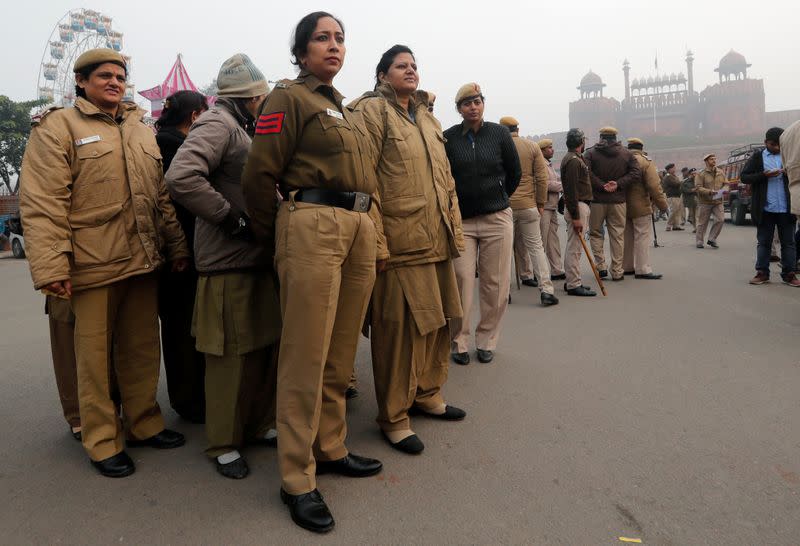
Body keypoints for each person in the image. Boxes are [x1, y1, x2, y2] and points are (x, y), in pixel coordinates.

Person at [241, 12, 384, 533]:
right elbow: (259, 174)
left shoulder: (341, 108)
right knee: (305, 353)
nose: (334, 46)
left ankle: (330, 446)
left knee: (340, 351)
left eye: (340, 38)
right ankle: (297, 478)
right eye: (322, 38)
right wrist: (274, 233)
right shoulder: (289, 99)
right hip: (312, 224)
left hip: (358, 225)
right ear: (300, 52)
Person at [19, 48, 189, 478]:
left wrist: (177, 245)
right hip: (91, 265)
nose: (114, 82)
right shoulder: (59, 127)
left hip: (142, 260)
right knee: (93, 361)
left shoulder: (139, 129)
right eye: (104, 76)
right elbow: (42, 203)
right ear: (81, 81)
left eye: (120, 76)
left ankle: (144, 424)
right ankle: (101, 440)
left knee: (141, 351)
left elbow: (160, 196)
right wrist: (51, 266)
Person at [166, 54, 282, 479]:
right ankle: (223, 443)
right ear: (251, 95)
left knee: (260, 349)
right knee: (230, 358)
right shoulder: (218, 124)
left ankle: (255, 424)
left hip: (252, 260)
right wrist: (232, 220)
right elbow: (181, 177)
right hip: (228, 260)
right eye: (262, 94)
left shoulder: (239, 125)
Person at [350, 44, 467, 455]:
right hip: (399, 243)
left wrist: (453, 228)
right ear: (382, 75)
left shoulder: (428, 117)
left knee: (440, 324)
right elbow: (365, 181)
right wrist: (378, 242)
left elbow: (446, 179)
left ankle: (428, 394)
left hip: (435, 239)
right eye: (401, 66)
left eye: (414, 65)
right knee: (399, 333)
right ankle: (394, 416)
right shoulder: (371, 112)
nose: (411, 71)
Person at [443, 82, 521, 365]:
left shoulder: (499, 134)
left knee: (495, 283)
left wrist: (498, 197)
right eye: (466, 103)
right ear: (459, 109)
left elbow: (515, 172)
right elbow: (444, 177)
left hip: (496, 219)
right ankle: (458, 340)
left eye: (477, 101)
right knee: (461, 281)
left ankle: (487, 339)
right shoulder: (449, 138)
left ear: (483, 104)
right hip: (462, 221)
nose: (472, 107)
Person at [155, 90, 209, 424]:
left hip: (173, 250)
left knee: (179, 328)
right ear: (194, 116)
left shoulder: (159, 142)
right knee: (183, 329)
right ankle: (190, 401)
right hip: (181, 251)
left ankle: (188, 398)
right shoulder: (176, 147)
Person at [499, 116, 558, 306]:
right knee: (536, 248)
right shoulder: (531, 146)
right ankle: (547, 290)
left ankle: (503, 293)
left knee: (504, 251)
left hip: (504, 206)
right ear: (518, 128)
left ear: (502, 129)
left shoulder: (498, 146)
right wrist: (540, 202)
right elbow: (541, 177)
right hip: (528, 204)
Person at [740, 127, 799, 286]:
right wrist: (764, 175)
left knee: (789, 243)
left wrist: (789, 174)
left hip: (786, 208)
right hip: (765, 208)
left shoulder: (790, 155)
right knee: (764, 242)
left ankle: (789, 274)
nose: (777, 148)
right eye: (773, 144)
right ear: (766, 142)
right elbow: (744, 177)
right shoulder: (758, 157)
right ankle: (762, 273)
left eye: (779, 145)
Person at [584, 127, 640, 281]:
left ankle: (601, 266)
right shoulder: (626, 153)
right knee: (617, 236)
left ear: (601, 137)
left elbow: (586, 173)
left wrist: (601, 185)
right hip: (618, 200)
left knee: (596, 233)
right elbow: (636, 173)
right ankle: (617, 271)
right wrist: (618, 184)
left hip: (597, 200)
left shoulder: (590, 153)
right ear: (615, 138)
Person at [623, 138, 668, 279]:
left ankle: (627, 266)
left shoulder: (622, 160)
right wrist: (663, 205)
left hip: (622, 204)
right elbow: (654, 187)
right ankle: (642, 269)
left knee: (627, 237)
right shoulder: (645, 162)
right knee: (642, 237)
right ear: (641, 148)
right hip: (641, 204)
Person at [561, 129, 595, 296]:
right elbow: (572, 190)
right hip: (578, 206)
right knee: (575, 247)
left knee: (573, 246)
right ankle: (574, 284)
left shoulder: (574, 158)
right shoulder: (573, 161)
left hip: (579, 205)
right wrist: (575, 217)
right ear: (581, 142)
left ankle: (572, 280)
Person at [539, 138, 565, 280]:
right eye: (549, 147)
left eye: (552, 147)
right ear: (542, 151)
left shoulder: (548, 164)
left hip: (552, 206)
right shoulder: (540, 164)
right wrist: (563, 186)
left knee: (553, 240)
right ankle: (539, 272)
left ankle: (556, 270)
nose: (552, 149)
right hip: (544, 206)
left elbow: (554, 180)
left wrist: (561, 182)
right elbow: (545, 183)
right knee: (541, 241)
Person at [694, 153, 727, 248]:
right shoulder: (701, 174)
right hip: (705, 202)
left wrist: (725, 189)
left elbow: (726, 183)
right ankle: (699, 241)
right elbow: (698, 187)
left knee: (720, 220)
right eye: (711, 159)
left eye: (714, 159)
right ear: (706, 161)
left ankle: (712, 239)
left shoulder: (721, 172)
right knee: (702, 223)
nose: (714, 161)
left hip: (718, 201)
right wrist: (709, 192)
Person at [662, 163, 684, 231]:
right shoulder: (668, 176)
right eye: (674, 168)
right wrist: (682, 182)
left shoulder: (673, 176)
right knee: (673, 211)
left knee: (677, 211)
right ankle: (669, 225)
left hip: (677, 195)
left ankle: (676, 225)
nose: (675, 169)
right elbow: (675, 184)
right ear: (670, 169)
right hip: (672, 195)